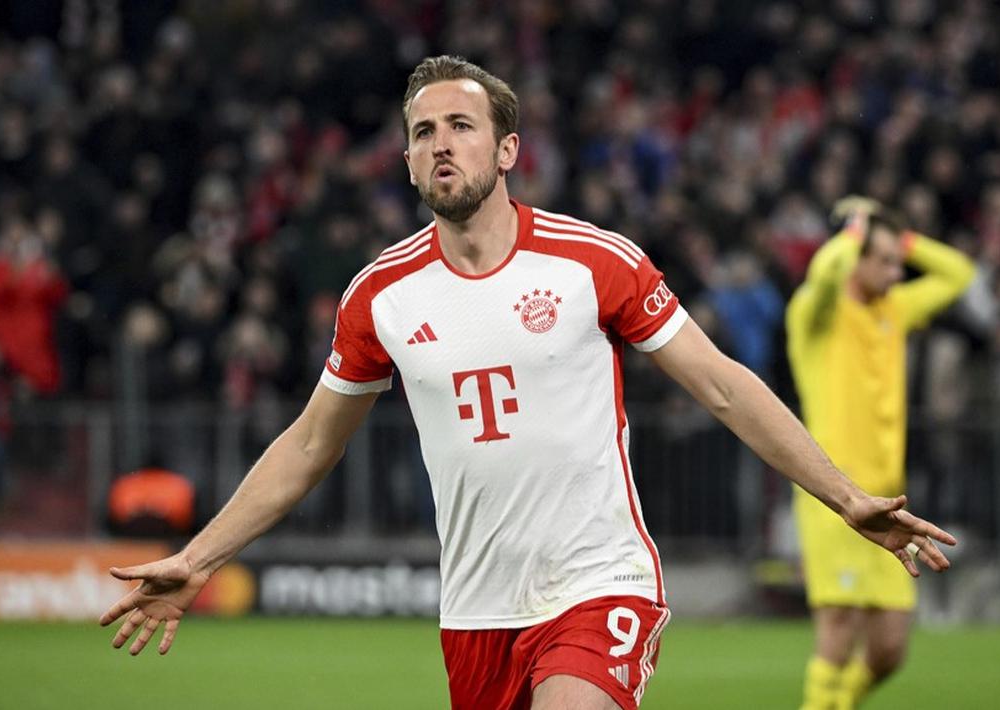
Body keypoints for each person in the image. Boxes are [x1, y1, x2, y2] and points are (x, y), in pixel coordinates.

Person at [100, 57, 956, 710]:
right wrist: (199, 557)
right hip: (476, 611)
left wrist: (844, 497)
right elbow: (310, 444)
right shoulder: (380, 296)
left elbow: (723, 385)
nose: (442, 143)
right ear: (405, 162)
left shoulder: (595, 261)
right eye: (423, 131)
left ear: (507, 149)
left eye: (461, 126)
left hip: (598, 582)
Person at [786, 196, 976, 710]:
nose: (896, 273)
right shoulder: (816, 312)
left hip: (888, 498)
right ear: (856, 256)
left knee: (891, 647)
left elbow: (958, 273)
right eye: (885, 260)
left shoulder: (894, 308)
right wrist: (855, 229)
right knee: (839, 625)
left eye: (900, 262)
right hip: (831, 496)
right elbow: (824, 275)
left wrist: (901, 236)